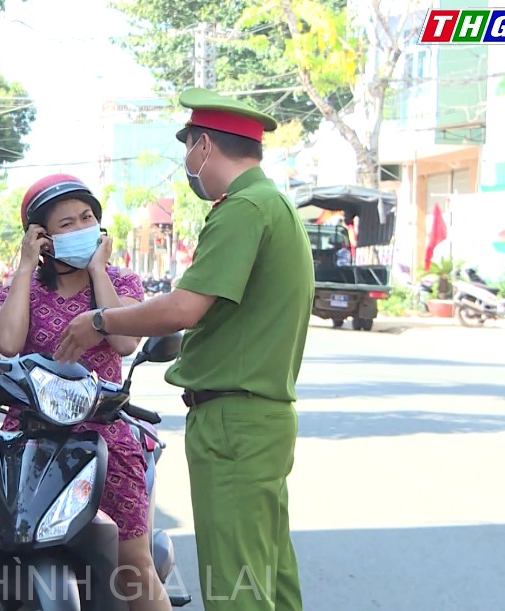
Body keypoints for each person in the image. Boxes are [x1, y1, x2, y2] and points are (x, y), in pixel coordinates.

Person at [55, 88, 314, 611]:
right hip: (260, 418)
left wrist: (99, 320)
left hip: (233, 421)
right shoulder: (275, 204)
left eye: (188, 148)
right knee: (269, 579)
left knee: (237, 590)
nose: (188, 163)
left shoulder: (243, 209)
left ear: (204, 146)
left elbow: (182, 308)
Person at [0, 174, 171, 611]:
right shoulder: (22, 287)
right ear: (42, 237)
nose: (81, 227)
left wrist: (97, 271)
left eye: (87, 217)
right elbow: (8, 343)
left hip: (103, 431)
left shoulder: (122, 283)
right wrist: (24, 266)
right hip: (29, 433)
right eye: (67, 223)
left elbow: (125, 342)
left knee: (134, 563)